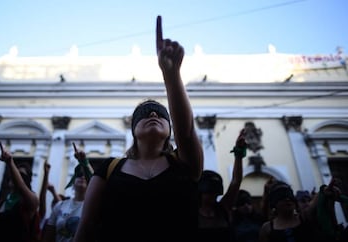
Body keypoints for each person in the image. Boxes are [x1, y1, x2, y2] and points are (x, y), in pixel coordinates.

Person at [73, 15, 204, 242]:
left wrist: (171, 75)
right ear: (133, 130)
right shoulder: (109, 169)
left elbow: (187, 131)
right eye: (143, 114)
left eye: (161, 114)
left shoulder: (184, 164)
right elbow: (86, 228)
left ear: (170, 129)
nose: (153, 114)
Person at [198, 129, 246, 242]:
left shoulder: (224, 208)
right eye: (209, 192)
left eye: (215, 192)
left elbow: (236, 181)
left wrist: (239, 154)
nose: (212, 195)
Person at [0, 141, 40, 242]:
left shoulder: (31, 201)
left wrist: (10, 163)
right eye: (15, 174)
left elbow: (21, 186)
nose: (15, 177)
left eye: (21, 176)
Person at [42, 143, 92, 242]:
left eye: (84, 175)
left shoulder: (92, 207)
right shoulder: (59, 206)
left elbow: (94, 178)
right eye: (79, 174)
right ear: (73, 181)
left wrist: (84, 162)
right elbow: (49, 236)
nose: (82, 177)